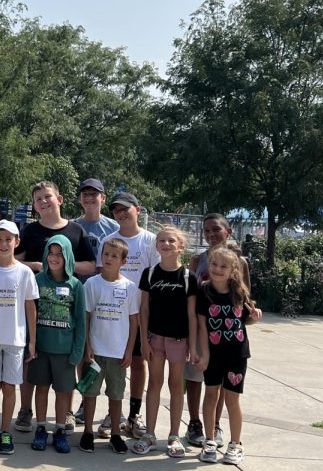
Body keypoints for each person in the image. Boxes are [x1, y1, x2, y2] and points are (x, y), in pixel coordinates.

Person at [14, 181, 96, 432]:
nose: (43, 201)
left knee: (65, 371)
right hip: (33, 302)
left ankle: (67, 413)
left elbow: (91, 266)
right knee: (31, 358)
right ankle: (26, 410)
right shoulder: (29, 230)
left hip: (65, 308)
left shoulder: (76, 230)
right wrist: (39, 267)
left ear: (59, 199)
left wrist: (63, 269)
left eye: (47, 196)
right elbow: (16, 262)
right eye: (38, 199)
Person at [97, 192, 160, 439]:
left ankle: (134, 415)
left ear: (137, 209)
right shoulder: (108, 240)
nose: (121, 214)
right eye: (116, 210)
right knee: (110, 363)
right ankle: (114, 414)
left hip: (140, 314)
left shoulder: (151, 241)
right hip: (111, 315)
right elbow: (102, 275)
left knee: (137, 362)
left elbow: (156, 279)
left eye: (125, 209)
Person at [186, 213, 253, 448]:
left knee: (222, 385)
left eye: (216, 229)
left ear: (228, 231)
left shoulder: (240, 261)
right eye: (206, 230)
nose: (211, 234)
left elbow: (244, 299)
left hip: (229, 336)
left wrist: (252, 316)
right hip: (202, 326)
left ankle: (214, 426)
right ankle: (195, 422)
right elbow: (192, 296)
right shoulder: (198, 260)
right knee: (195, 377)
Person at [0, 220, 39, 455]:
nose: (3, 243)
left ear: (16, 242)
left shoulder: (24, 272)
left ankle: (5, 432)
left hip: (15, 340)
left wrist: (32, 340)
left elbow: (30, 307)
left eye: (8, 239)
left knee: (10, 388)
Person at [195, 246, 261, 465]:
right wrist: (204, 355)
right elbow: (203, 327)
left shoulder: (238, 292)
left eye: (223, 266)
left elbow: (246, 320)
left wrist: (255, 317)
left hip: (237, 354)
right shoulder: (203, 291)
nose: (217, 269)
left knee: (233, 399)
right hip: (213, 354)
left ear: (233, 269)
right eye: (214, 264)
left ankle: (235, 444)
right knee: (211, 395)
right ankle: (210, 441)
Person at [137, 226, 198, 457]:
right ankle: (150, 434)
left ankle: (173, 435)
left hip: (179, 339)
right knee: (154, 384)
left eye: (171, 240)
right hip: (155, 339)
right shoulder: (150, 273)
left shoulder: (188, 277)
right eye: (161, 240)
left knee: (175, 386)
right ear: (156, 246)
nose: (166, 244)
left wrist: (192, 345)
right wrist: (143, 340)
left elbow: (192, 315)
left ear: (180, 246)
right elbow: (144, 309)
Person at [78, 237, 139, 454]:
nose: (109, 259)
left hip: (118, 353)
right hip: (95, 352)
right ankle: (87, 432)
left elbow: (133, 322)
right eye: (106, 255)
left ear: (123, 261)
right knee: (90, 393)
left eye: (115, 256)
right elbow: (86, 317)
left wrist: (130, 351)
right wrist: (87, 347)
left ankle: (115, 433)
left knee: (116, 394)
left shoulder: (130, 288)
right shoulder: (92, 284)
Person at [28, 235, 86, 453]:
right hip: (41, 349)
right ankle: (41, 428)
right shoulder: (38, 280)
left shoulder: (76, 285)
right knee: (41, 389)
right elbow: (29, 314)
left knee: (63, 392)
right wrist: (29, 344)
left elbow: (81, 321)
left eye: (59, 253)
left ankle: (60, 430)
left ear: (67, 256)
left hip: (64, 351)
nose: (54, 257)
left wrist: (77, 352)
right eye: (50, 253)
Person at [75, 178, 118, 264]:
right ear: (80, 198)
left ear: (103, 198)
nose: (89, 197)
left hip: (105, 277)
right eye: (85, 194)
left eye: (94, 194)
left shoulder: (115, 227)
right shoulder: (72, 226)